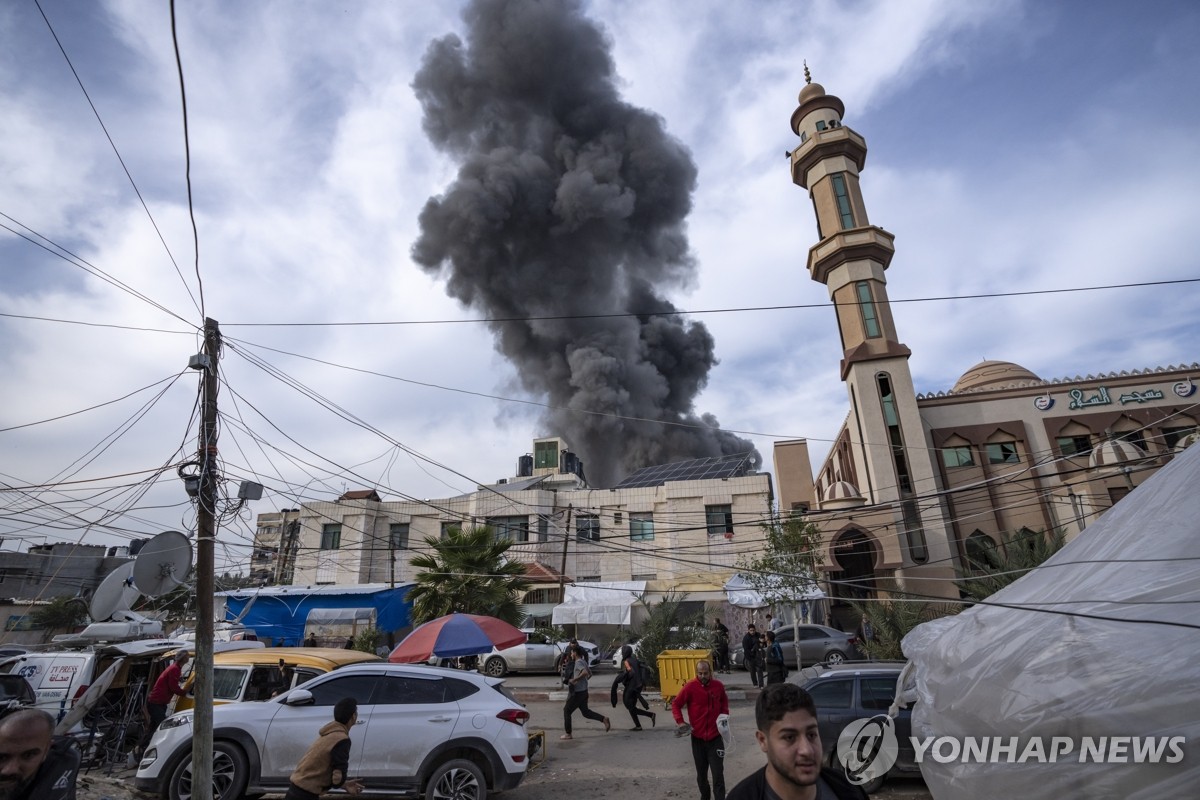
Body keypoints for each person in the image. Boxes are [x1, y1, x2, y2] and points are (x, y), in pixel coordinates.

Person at [726, 683, 868, 800]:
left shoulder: (848, 790)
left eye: (811, 735)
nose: (807, 750)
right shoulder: (742, 796)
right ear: (763, 741)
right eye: (789, 737)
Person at [671, 660, 730, 800]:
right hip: (698, 739)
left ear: (710, 672)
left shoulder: (718, 686)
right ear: (696, 673)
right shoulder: (690, 687)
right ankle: (705, 797)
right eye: (700, 673)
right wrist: (680, 721)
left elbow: (724, 703)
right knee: (701, 776)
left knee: (718, 775)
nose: (703, 676)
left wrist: (724, 717)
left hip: (716, 739)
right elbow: (676, 704)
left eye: (705, 673)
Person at [285, 697, 365, 800]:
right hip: (306, 795)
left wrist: (344, 785)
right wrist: (341, 782)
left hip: (296, 789)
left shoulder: (328, 734)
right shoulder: (342, 739)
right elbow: (337, 777)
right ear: (353, 716)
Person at [0, 709, 81, 800]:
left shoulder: (64, 763)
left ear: (47, 750)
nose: (9, 770)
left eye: (28, 755)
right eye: (2, 757)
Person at [561, 645, 610, 739]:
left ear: (575, 653)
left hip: (578, 693)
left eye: (571, 652)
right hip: (584, 691)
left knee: (566, 710)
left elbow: (585, 673)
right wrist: (582, 681)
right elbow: (590, 674)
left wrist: (575, 680)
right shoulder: (583, 661)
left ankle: (568, 733)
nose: (571, 654)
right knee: (586, 712)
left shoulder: (578, 662)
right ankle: (603, 719)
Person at [610, 645, 656, 730]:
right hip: (638, 685)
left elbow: (631, 672)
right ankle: (638, 726)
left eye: (623, 652)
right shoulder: (634, 659)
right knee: (632, 706)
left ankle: (650, 715)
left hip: (632, 686)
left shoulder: (627, 661)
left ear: (625, 653)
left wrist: (623, 676)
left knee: (629, 705)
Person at [146, 650, 190, 737]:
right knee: (161, 727)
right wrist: (185, 693)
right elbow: (174, 688)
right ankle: (144, 746)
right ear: (183, 658)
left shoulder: (175, 668)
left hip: (158, 702)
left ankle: (142, 747)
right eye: (187, 656)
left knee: (154, 728)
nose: (188, 657)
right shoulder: (175, 669)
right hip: (156, 703)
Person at [741, 623, 763, 688]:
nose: (752, 632)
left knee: (759, 670)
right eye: (751, 630)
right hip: (750, 657)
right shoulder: (746, 638)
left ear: (755, 629)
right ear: (748, 630)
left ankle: (761, 685)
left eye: (753, 630)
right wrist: (751, 655)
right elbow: (746, 649)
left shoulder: (758, 635)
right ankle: (755, 684)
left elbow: (762, 642)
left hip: (758, 656)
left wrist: (761, 643)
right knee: (752, 671)